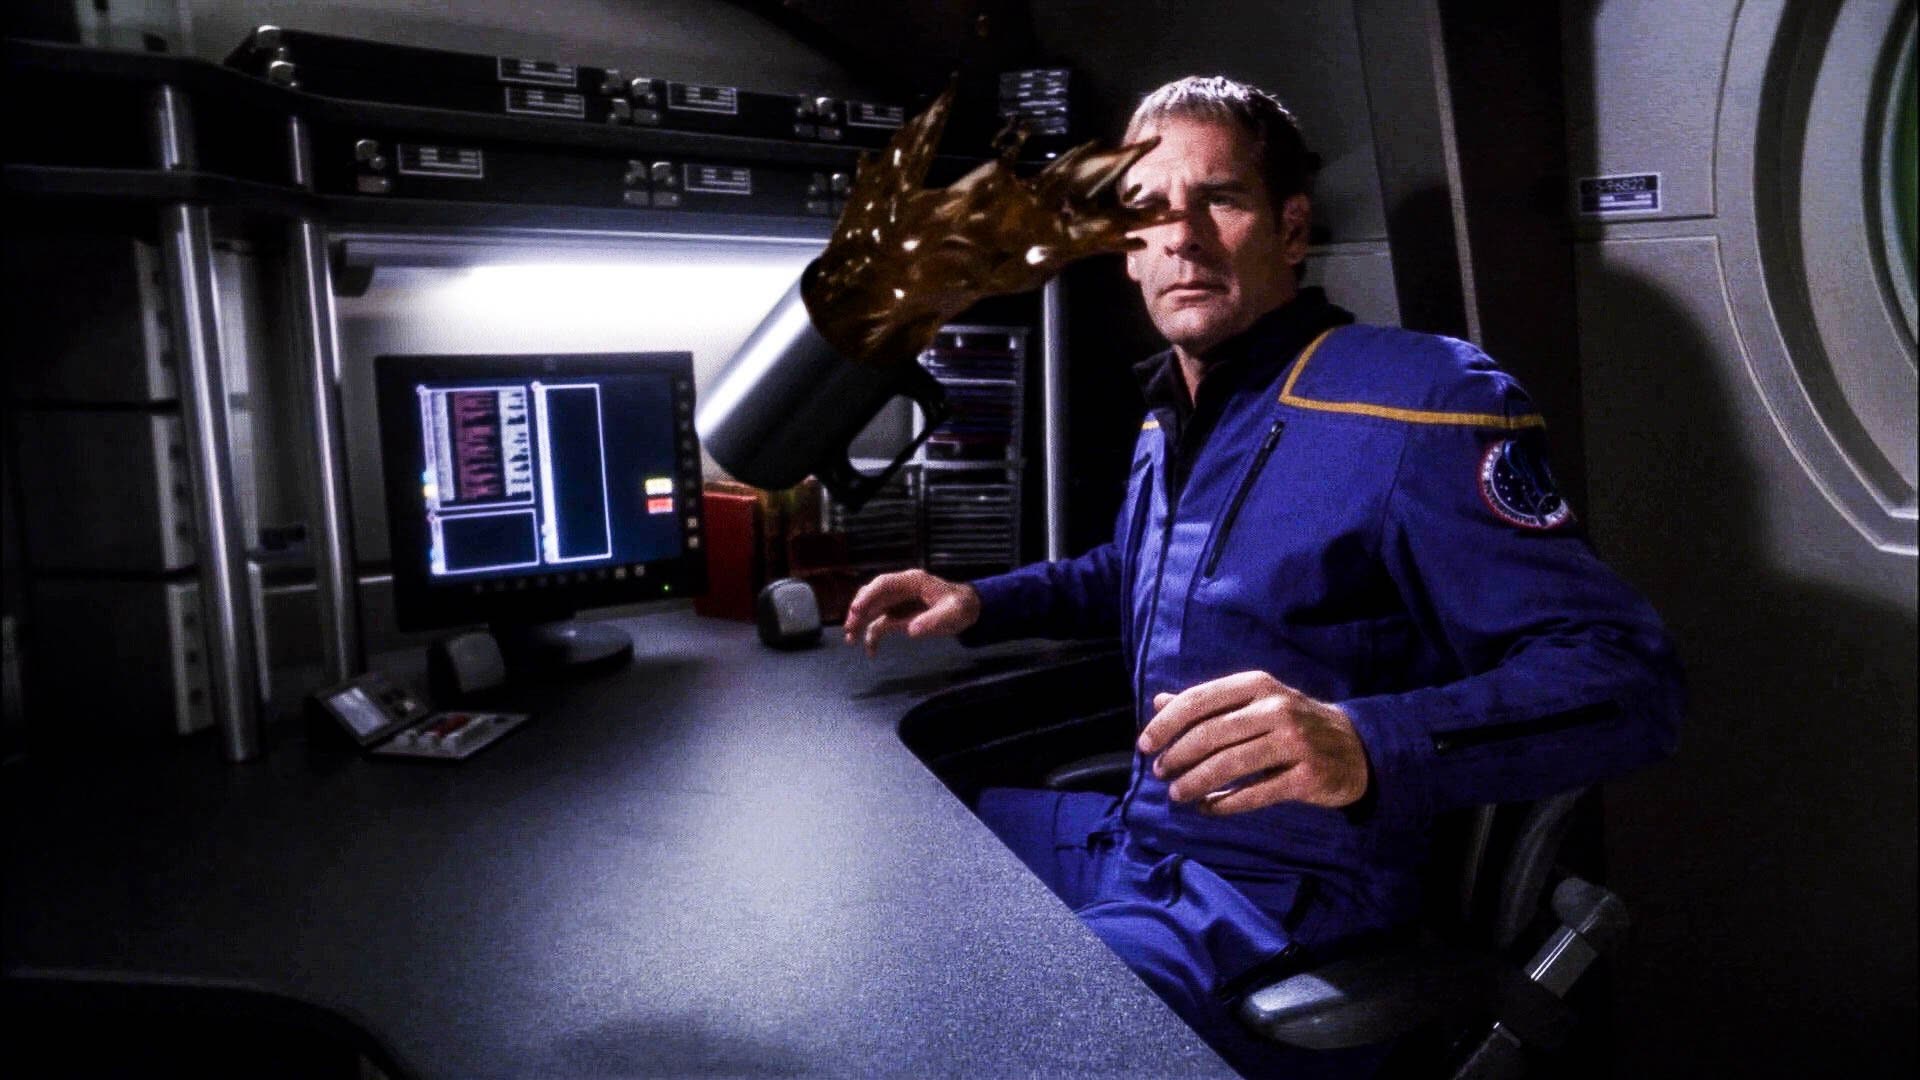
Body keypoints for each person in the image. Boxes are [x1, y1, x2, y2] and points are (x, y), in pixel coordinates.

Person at [842, 75, 1684, 1077]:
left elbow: (1630, 679)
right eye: (1150, 209)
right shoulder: (1177, 408)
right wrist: (983, 601)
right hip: (1142, 840)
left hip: (1283, 904)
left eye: (1221, 200)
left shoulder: (1419, 402)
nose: (1183, 238)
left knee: (991, 1035)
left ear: (1288, 230)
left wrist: (1364, 741)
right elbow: (1150, 572)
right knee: (899, 869)